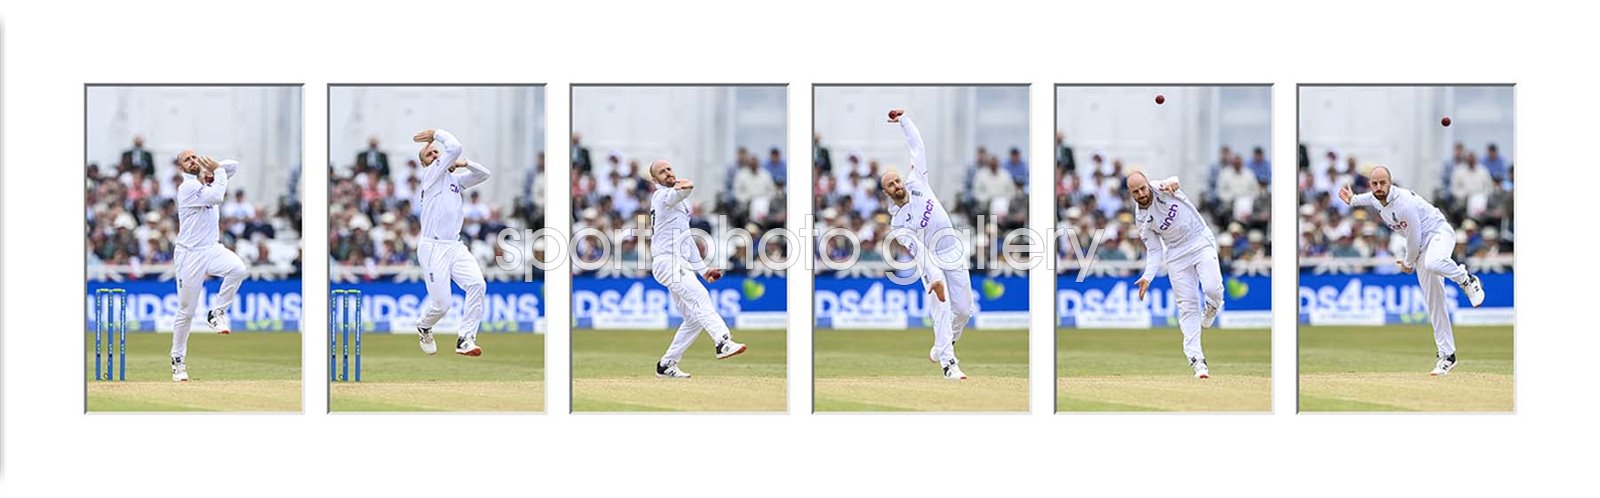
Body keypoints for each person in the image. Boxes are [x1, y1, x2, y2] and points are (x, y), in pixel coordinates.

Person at [1338, 166, 1485, 375]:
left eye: (1383, 183)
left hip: (1438, 233)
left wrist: (1407, 264)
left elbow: (1414, 239)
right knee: (1435, 301)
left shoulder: (1404, 203)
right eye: (1374, 184)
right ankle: (1447, 355)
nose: (1379, 187)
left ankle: (1467, 279)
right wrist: (1351, 199)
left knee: (1433, 263)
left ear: (1390, 183)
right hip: (1422, 248)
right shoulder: (1373, 197)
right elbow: (1361, 199)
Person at [881, 109, 970, 380]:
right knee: (941, 306)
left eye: (897, 180)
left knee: (965, 310)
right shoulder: (899, 223)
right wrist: (935, 278)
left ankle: (945, 345)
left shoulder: (917, 180)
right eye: (891, 185)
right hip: (930, 258)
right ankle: (948, 364)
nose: (897, 185)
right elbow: (920, 254)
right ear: (886, 193)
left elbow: (917, 146)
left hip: (951, 248)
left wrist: (904, 121)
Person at [647, 159, 748, 378]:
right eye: (661, 172)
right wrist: (685, 184)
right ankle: (723, 342)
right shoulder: (662, 196)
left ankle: (666, 364)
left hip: (678, 262)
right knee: (700, 296)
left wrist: (703, 270)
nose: (667, 173)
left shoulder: (677, 202)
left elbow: (688, 241)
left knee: (694, 319)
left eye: (669, 169)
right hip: (667, 261)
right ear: (655, 181)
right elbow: (683, 190)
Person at [1128, 171, 1220, 379]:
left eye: (1143, 188)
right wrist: (1148, 276)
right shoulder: (1142, 219)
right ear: (1131, 193)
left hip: (1199, 239)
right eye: (1136, 192)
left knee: (1212, 289)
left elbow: (1174, 181)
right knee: (1187, 306)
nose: (1142, 194)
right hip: (1176, 254)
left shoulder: (1159, 187)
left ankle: (1213, 305)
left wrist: (1172, 184)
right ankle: (1197, 361)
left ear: (1147, 184)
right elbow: (1154, 250)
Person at [411, 128, 493, 357]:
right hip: (432, 247)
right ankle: (424, 325)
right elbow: (454, 147)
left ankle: (465, 339)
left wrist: (464, 162)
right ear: (425, 164)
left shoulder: (453, 180)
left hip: (455, 246)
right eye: (430, 155)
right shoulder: (431, 177)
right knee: (442, 305)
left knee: (478, 284)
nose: (436, 156)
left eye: (437, 152)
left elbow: (484, 174)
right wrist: (437, 133)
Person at [170, 152, 246, 382]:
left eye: (194, 157)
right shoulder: (187, 188)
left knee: (238, 269)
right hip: (189, 254)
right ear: (181, 168)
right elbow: (216, 198)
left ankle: (217, 312)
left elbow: (234, 164)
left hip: (211, 248)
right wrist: (217, 172)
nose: (193, 161)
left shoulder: (207, 178)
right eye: (187, 160)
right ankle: (178, 360)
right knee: (187, 311)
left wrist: (213, 166)